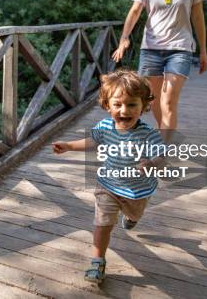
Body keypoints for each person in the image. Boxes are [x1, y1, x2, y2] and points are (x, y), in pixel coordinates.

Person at [52, 70, 165, 284]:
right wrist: (69, 146)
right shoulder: (104, 127)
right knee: (102, 224)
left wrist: (151, 163)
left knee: (135, 215)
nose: (124, 110)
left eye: (132, 104)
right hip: (108, 186)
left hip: (138, 190)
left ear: (143, 106)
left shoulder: (148, 133)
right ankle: (97, 261)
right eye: (118, 104)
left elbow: (162, 156)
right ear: (107, 105)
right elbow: (91, 142)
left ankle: (130, 218)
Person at [112, 0, 207, 133]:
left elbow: (198, 18)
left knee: (168, 101)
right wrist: (124, 38)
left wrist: (203, 51)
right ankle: (162, 132)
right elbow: (135, 11)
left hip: (180, 48)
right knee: (153, 100)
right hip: (151, 49)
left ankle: (162, 151)